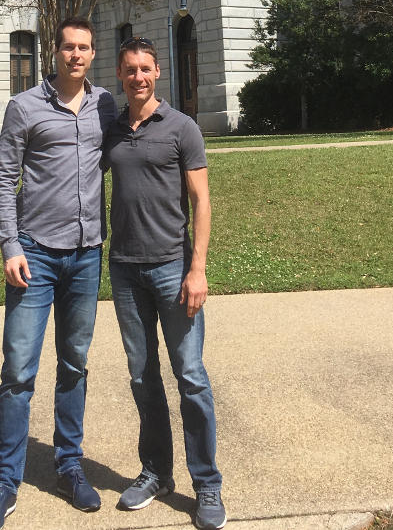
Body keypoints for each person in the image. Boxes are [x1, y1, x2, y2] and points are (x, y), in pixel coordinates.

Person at [0, 17, 117, 530]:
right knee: (18, 371)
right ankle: (6, 482)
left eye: (84, 48)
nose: (76, 55)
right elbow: (4, 179)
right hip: (33, 256)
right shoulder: (25, 107)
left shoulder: (105, 106)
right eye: (68, 47)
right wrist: (10, 245)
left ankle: (68, 464)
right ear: (53, 52)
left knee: (74, 363)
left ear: (92, 54)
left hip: (85, 255)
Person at [103, 37, 226, 530]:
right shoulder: (110, 129)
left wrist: (197, 269)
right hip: (125, 269)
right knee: (142, 377)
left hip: (173, 269)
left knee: (190, 375)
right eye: (130, 70)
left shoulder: (182, 128)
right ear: (120, 74)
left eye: (146, 69)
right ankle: (156, 472)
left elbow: (202, 202)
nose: (139, 77)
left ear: (158, 73)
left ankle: (208, 484)